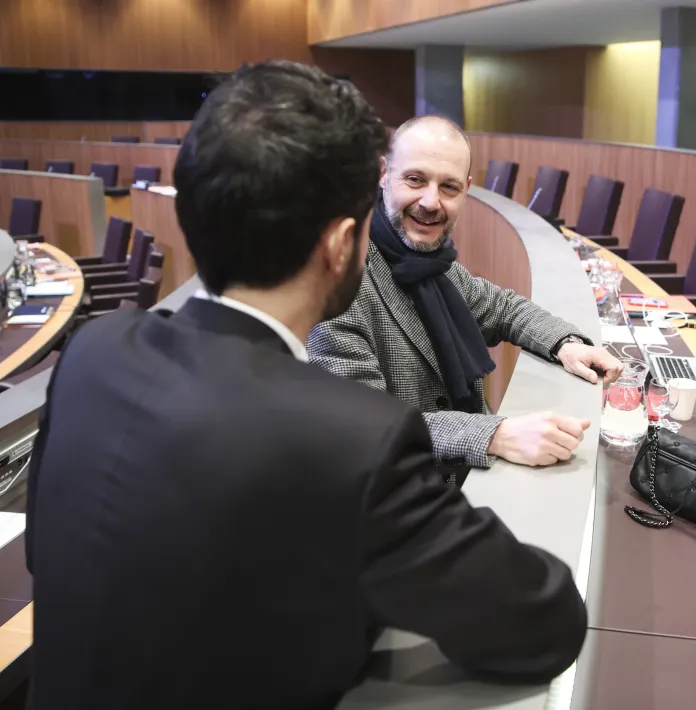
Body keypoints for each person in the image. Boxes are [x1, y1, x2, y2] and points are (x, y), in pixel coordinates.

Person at [25, 61, 587, 710]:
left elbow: (52, 558)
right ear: (342, 243)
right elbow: (543, 624)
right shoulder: (354, 439)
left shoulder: (93, 353)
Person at [308, 116, 623, 469]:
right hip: (405, 495)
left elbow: (504, 308)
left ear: (466, 189)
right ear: (384, 173)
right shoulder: (340, 286)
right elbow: (363, 423)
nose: (430, 202)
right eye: (415, 179)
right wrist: (494, 435)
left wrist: (565, 343)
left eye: (449, 188)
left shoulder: (433, 266)